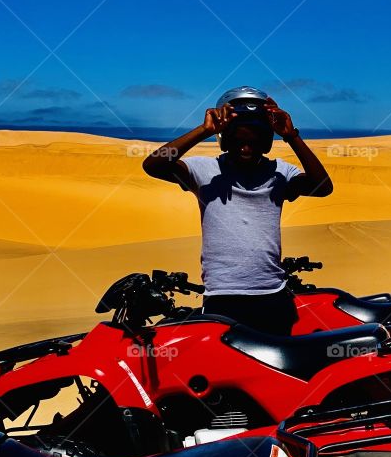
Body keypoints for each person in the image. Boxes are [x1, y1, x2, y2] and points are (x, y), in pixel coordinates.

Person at [142, 87, 333, 334]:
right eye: (239, 141)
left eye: (254, 142)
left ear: (266, 141)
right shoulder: (204, 171)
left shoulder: (280, 173)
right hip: (222, 297)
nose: (246, 149)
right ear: (225, 139)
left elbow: (322, 187)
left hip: (273, 296)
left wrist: (291, 136)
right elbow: (154, 165)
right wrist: (204, 131)